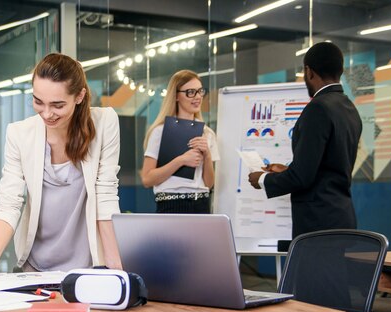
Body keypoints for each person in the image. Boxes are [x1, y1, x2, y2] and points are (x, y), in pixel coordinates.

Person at [0, 53, 122, 274]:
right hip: (35, 266)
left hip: (87, 267)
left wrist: (116, 270)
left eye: (58, 105)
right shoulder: (19, 134)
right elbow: (9, 202)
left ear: (79, 96)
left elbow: (105, 196)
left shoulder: (104, 123)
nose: (47, 114)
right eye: (38, 102)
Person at [248, 42, 362, 238]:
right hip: (341, 218)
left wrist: (263, 179)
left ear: (309, 72)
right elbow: (327, 167)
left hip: (318, 224)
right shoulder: (349, 108)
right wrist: (286, 170)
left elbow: (302, 177)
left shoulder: (318, 108)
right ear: (340, 70)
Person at [140, 70, 220, 213]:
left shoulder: (207, 133)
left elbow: (209, 184)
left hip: (201, 203)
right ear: (176, 96)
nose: (197, 97)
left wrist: (207, 155)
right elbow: (147, 179)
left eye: (200, 91)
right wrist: (181, 160)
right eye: (190, 92)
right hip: (170, 204)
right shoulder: (160, 131)